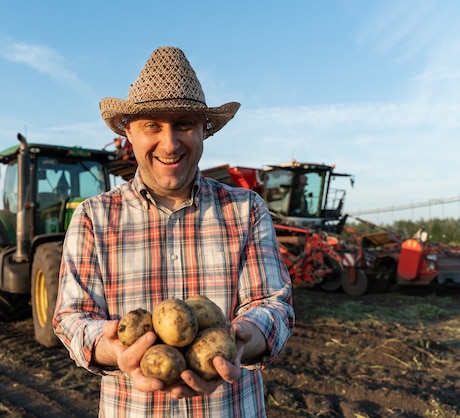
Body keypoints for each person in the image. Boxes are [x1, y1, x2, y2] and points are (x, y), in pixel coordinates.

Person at [53, 46, 294, 417]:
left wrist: (246, 336)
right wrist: (114, 345)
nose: (169, 143)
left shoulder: (246, 209)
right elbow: (72, 318)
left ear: (203, 132)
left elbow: (274, 305)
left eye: (183, 124)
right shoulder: (93, 218)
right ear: (129, 133)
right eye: (153, 126)